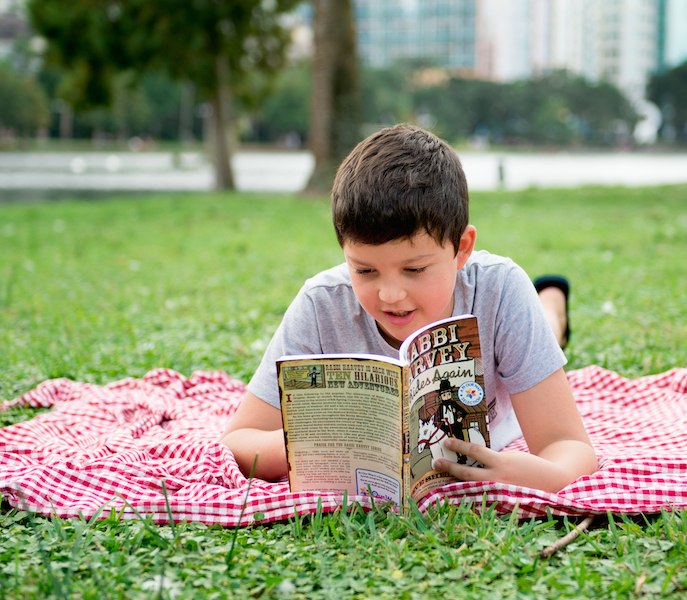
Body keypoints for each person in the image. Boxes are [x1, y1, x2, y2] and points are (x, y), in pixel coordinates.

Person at [220, 124, 596, 492]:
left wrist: (530, 473)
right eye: (364, 270)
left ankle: (552, 300)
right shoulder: (322, 305)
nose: (390, 295)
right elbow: (238, 442)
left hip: (514, 333)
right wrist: (320, 438)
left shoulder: (500, 289)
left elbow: (570, 447)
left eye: (415, 269)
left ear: (461, 248)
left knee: (548, 328)